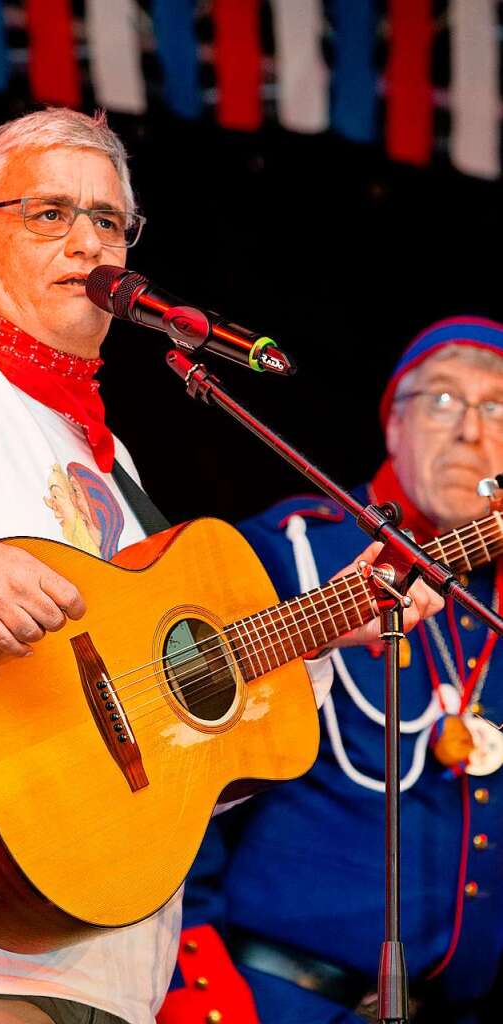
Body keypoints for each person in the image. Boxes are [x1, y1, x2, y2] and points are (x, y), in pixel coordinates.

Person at [0, 108, 441, 1024]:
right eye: (48, 214)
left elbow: (147, 734)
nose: (88, 243)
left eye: (110, 222)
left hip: (109, 968)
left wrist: (311, 639)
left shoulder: (113, 465)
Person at [166, 318, 503, 1024]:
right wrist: (195, 981)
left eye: (497, 406)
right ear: (393, 426)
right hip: (275, 999)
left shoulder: (492, 606)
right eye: (442, 401)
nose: (472, 431)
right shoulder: (295, 552)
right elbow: (182, 759)